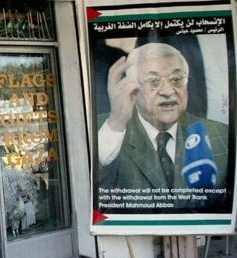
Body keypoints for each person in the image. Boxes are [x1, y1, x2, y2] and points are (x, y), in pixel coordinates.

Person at [97, 42, 229, 210]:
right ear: (132, 88)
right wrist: (117, 122)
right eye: (154, 81)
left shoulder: (221, 136)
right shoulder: (106, 130)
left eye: (176, 79)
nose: (168, 91)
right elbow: (95, 199)